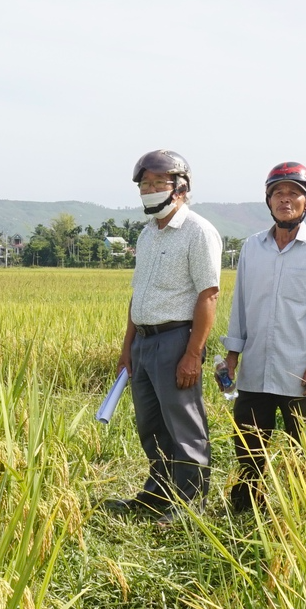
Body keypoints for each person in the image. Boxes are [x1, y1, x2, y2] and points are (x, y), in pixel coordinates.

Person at [106, 149, 223, 520]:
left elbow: (208, 294)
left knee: (184, 425)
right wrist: (127, 348)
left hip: (176, 340)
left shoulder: (198, 231)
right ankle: (158, 494)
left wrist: (193, 353)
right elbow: (137, 294)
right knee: (151, 424)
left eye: (159, 183)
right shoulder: (146, 234)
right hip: (143, 341)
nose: (150, 189)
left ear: (181, 188)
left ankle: (190, 506)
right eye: (145, 184)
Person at [221, 161, 306, 513]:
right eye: (278, 193)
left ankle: (303, 511)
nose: (285, 199)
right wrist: (232, 355)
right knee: (248, 443)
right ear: (268, 200)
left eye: (294, 193)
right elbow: (240, 302)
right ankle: (245, 507)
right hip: (255, 366)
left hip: (299, 369)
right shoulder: (252, 247)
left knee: (303, 446)